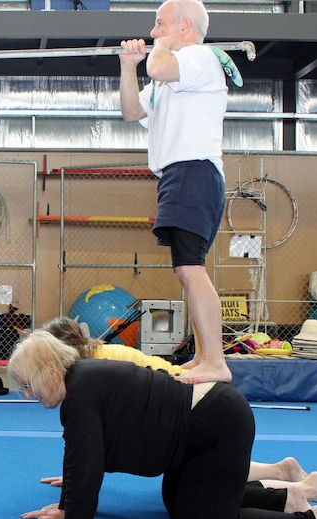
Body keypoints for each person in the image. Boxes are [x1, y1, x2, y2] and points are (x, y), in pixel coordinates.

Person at [6, 330, 317, 519]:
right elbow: (79, 454)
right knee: (178, 500)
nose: (26, 395)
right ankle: (291, 496)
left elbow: (88, 465)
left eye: (27, 385)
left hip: (216, 424)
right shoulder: (83, 382)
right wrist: (68, 505)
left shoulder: (81, 394)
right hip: (202, 427)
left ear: (49, 373)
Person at [36, 317, 317, 509]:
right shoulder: (94, 363)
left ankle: (294, 485)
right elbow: (100, 438)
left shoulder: (95, 370)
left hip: (193, 404)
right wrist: (80, 473)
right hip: (187, 402)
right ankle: (283, 472)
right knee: (204, 476)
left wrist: (82, 476)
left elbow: (106, 437)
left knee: (205, 482)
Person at [119, 0, 232, 384]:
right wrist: (127, 66)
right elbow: (132, 111)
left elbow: (161, 63)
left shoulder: (199, 57)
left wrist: (159, 49)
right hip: (179, 174)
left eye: (159, 24)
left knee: (190, 267)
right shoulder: (168, 78)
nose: (153, 32)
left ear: (184, 27)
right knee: (188, 268)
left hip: (193, 171)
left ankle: (215, 361)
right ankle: (205, 357)